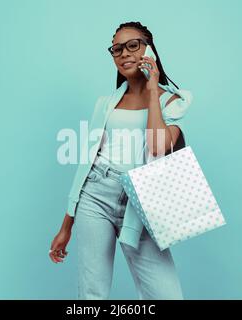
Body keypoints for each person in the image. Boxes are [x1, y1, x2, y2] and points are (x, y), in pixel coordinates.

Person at [49, 21, 192, 300]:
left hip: (141, 202)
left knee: (167, 296)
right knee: (93, 294)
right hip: (96, 194)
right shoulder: (105, 104)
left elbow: (158, 145)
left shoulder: (171, 101)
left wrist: (152, 89)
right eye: (117, 49)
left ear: (149, 49)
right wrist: (66, 225)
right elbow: (86, 165)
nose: (124, 53)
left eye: (133, 45)